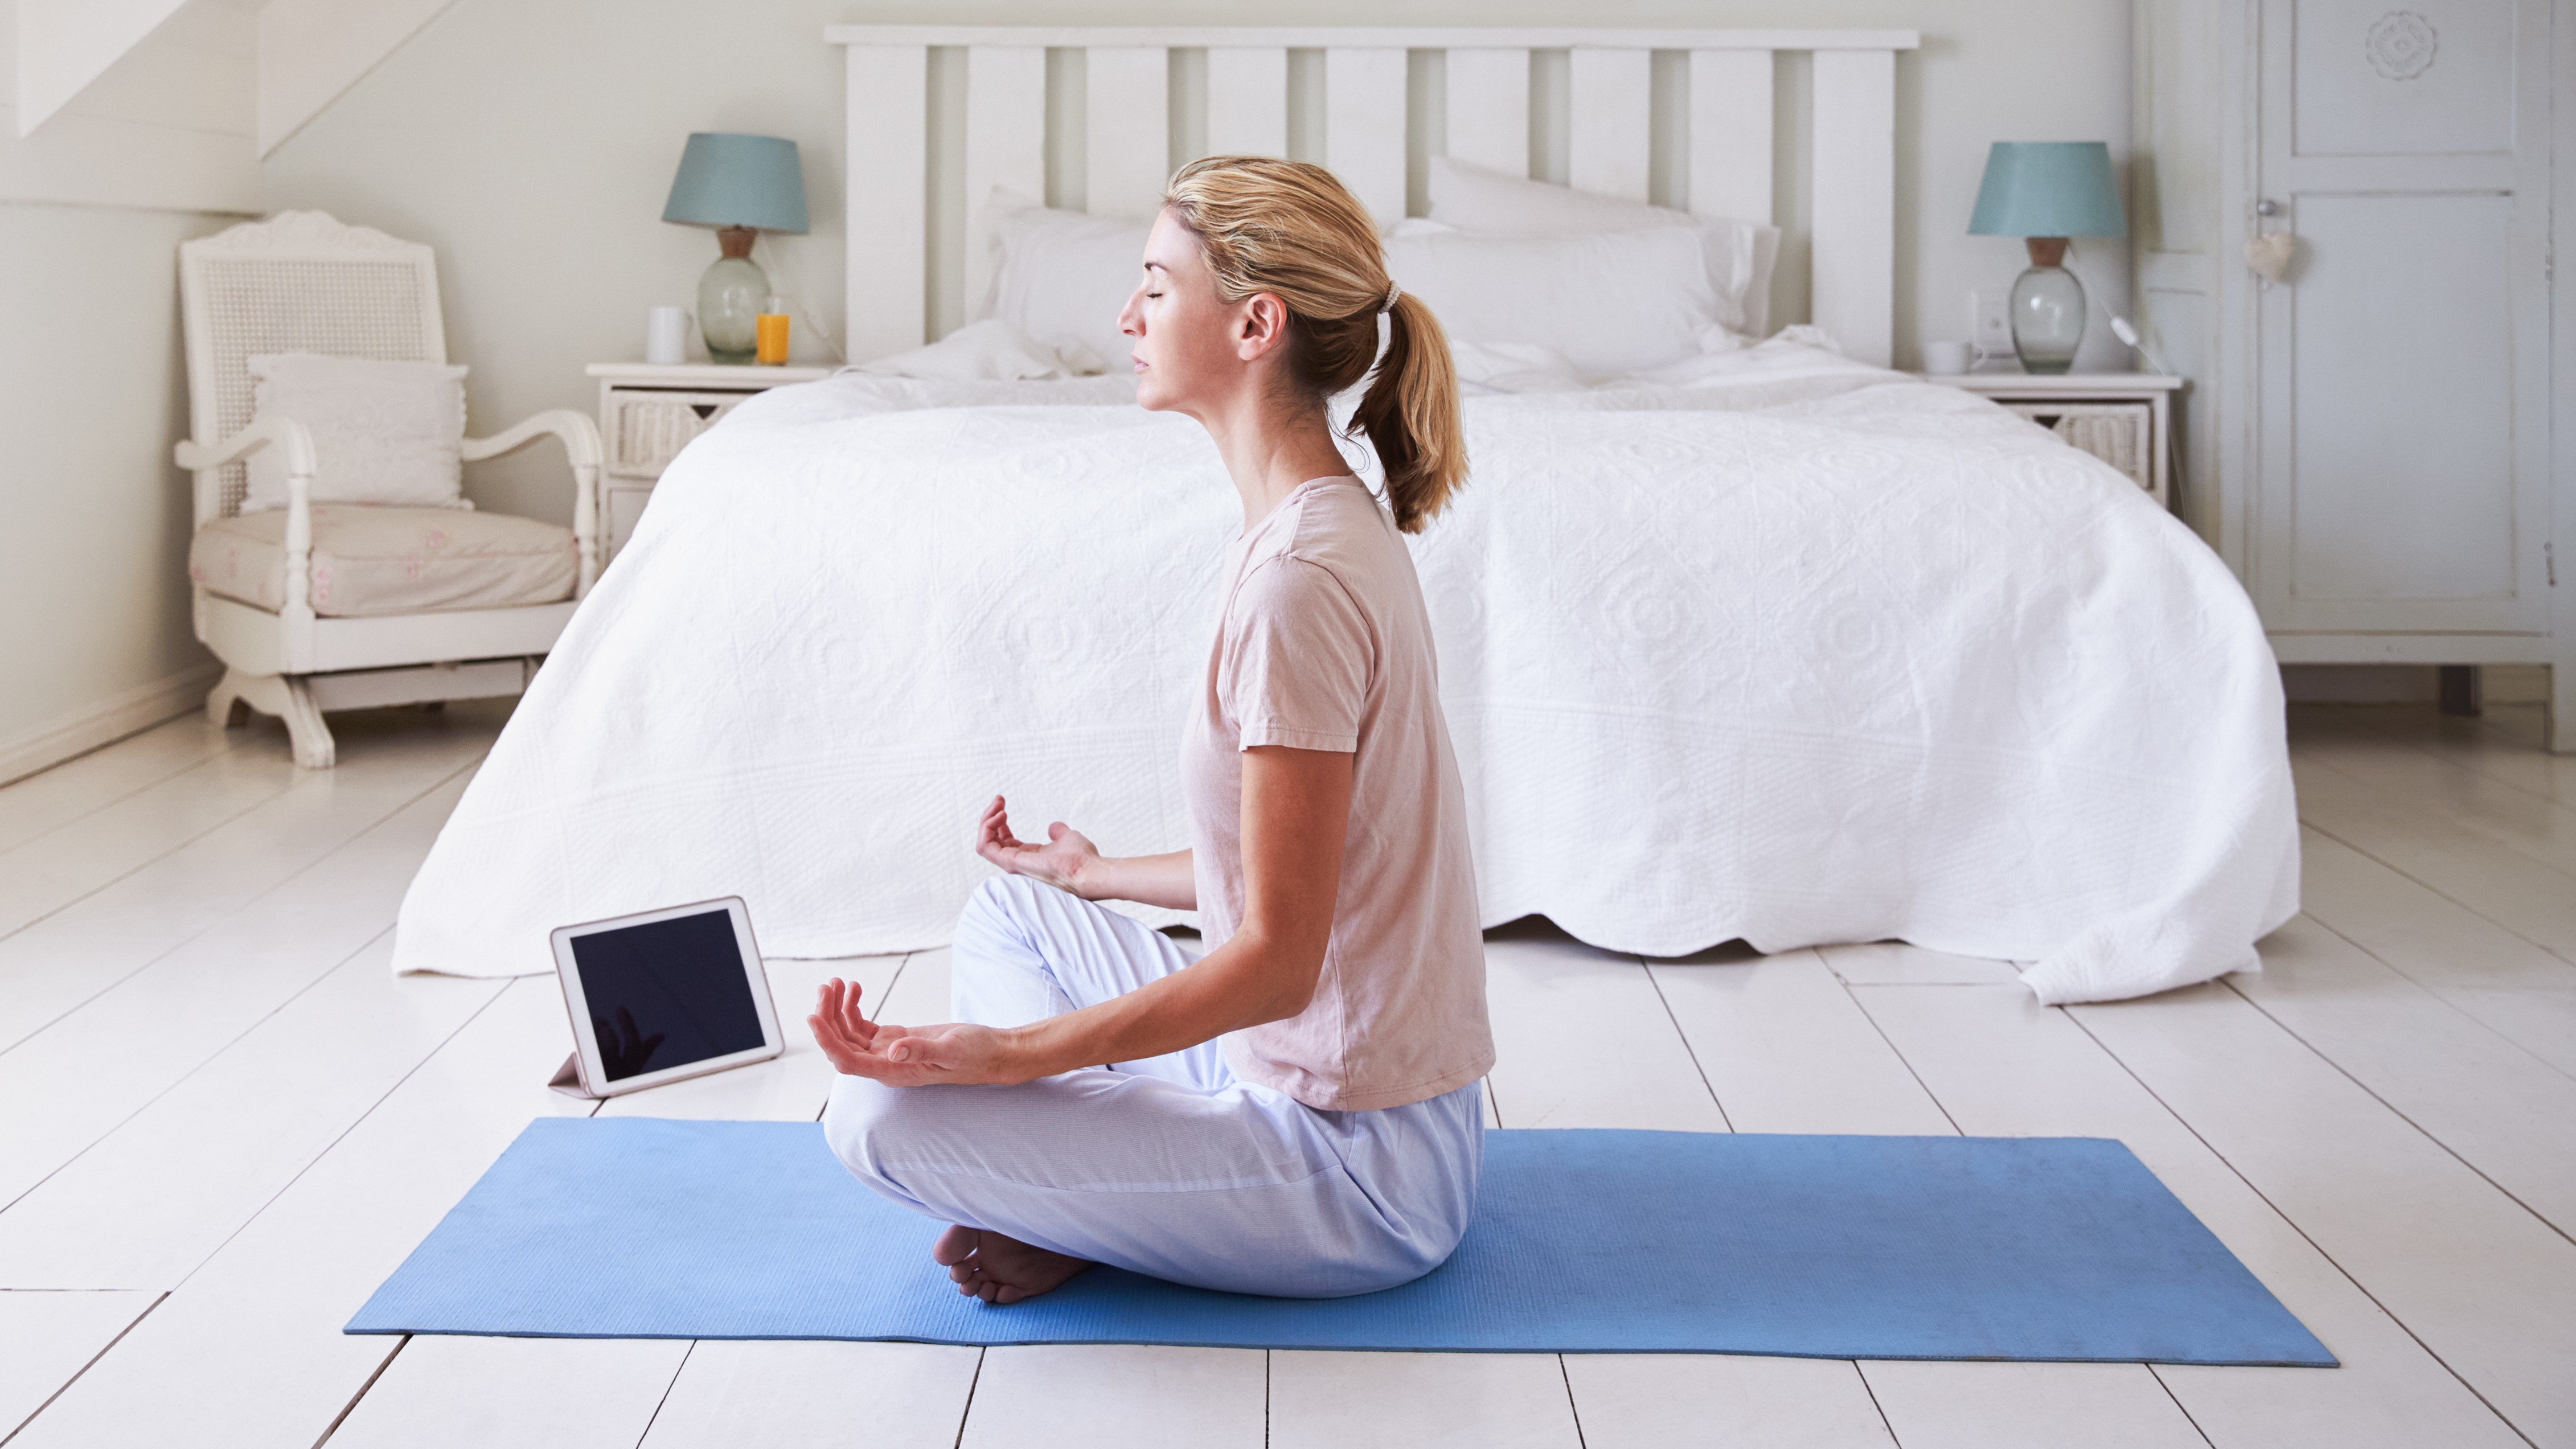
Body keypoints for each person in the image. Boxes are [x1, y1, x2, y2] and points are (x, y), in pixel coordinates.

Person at [811, 156, 1490, 1303]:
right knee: (1018, 905)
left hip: (1358, 1167)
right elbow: (1308, 871)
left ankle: (1095, 1196)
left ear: (1255, 323)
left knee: (872, 1115)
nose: (1127, 317)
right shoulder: (1317, 520)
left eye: (1158, 287)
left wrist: (1007, 1058)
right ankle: (1105, 1187)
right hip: (1293, 1073)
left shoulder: (1300, 580)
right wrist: (1095, 871)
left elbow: (1277, 957)